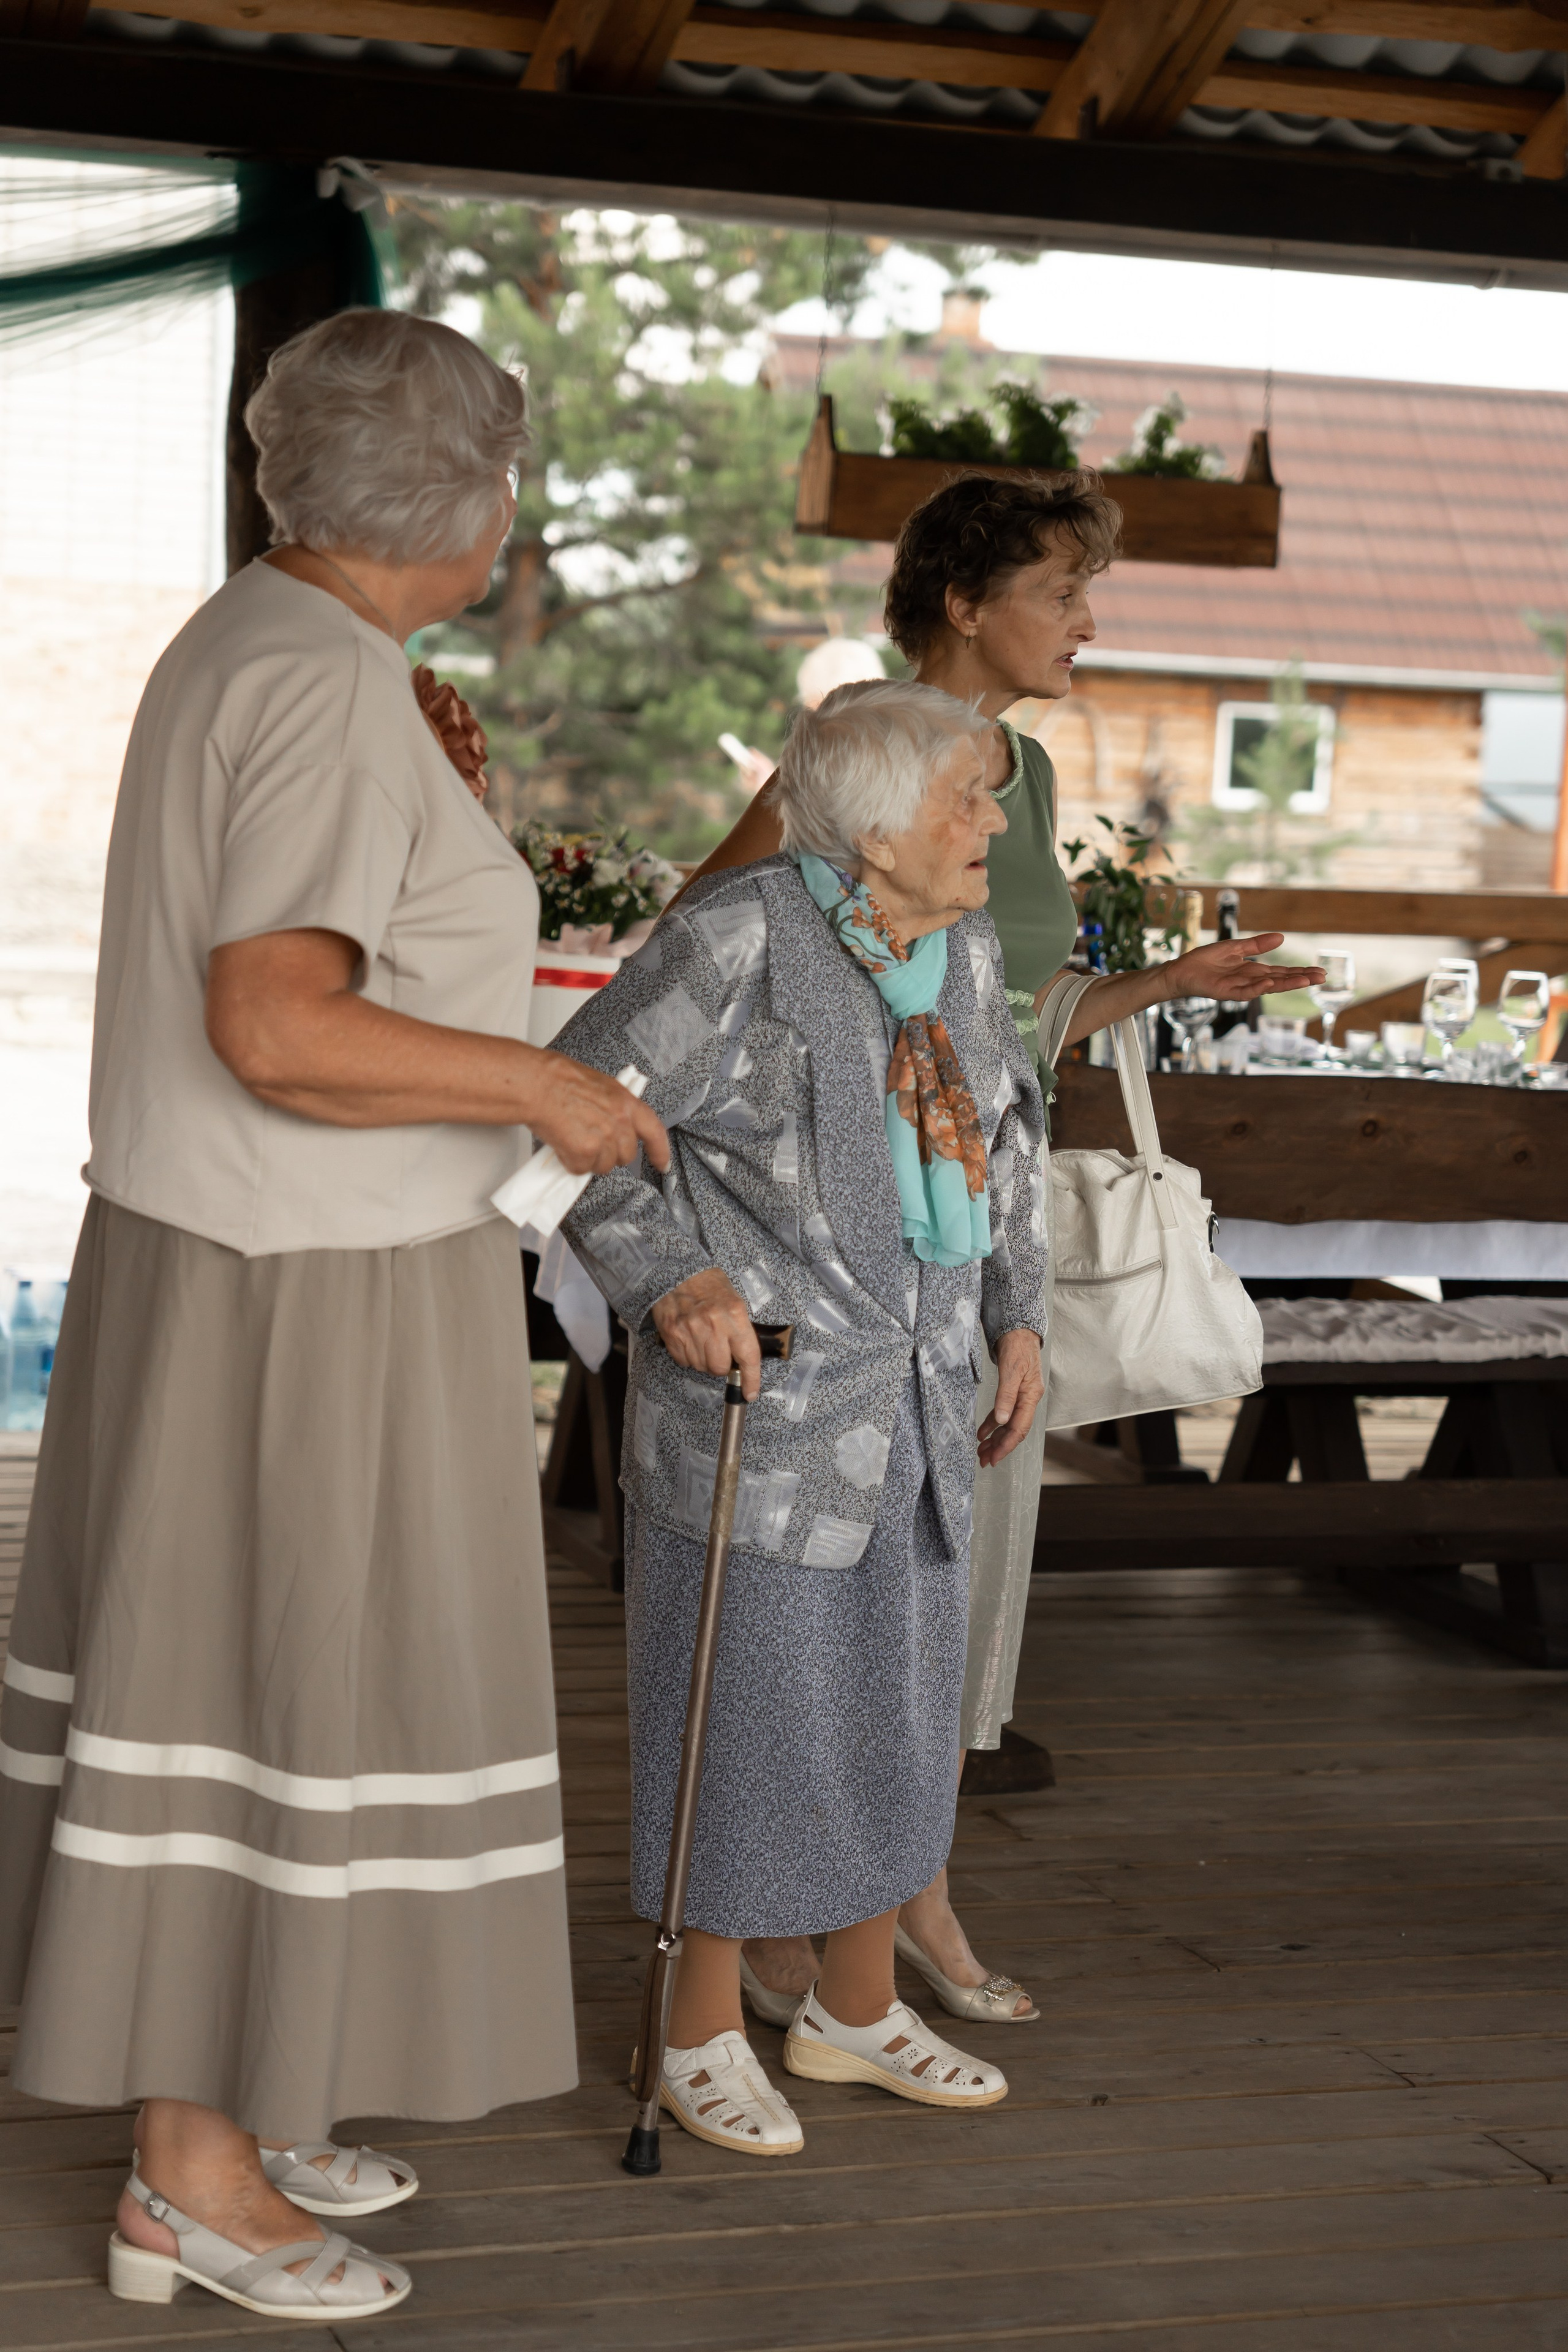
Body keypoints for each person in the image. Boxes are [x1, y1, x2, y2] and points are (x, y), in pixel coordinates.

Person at [0, 309, 667, 2321]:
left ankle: (243, 2104)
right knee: (264, 1701)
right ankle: (191, 2176)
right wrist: (540, 1082)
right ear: (470, 493)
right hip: (296, 1287)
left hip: (279, 1264)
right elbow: (277, 1021)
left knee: (294, 1705)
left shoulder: (281, 649)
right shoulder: (313, 677)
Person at [676, 470, 1324, 2024]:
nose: (1086, 624)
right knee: (842, 1591)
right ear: (965, 602)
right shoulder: (856, 751)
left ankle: (904, 1899)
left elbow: (1005, 1023)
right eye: (1060, 591)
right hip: (853, 1244)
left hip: (978, 1230)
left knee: (961, 1585)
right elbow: (718, 934)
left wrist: (1161, 981)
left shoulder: (1011, 778)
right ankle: (796, 1914)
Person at [557, 679, 1048, 2154]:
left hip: (919, 1397)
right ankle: (694, 2028)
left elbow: (1009, 1132)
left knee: (900, 1714)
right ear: (877, 820)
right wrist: (670, 1277)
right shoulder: (739, 937)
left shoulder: (955, 951)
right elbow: (574, 1104)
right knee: (752, 1724)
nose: (994, 823)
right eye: (970, 796)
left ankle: (848, 2007)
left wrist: (1017, 1309)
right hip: (763, 1406)